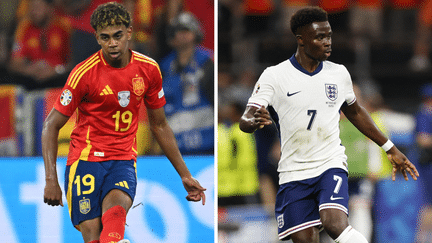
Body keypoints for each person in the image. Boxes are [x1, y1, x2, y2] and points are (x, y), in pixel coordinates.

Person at [239, 7, 419, 243]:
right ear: (301, 40)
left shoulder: (338, 73)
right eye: (320, 37)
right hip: (293, 171)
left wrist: (390, 148)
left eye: (329, 36)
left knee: (335, 223)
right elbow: (247, 116)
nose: (328, 42)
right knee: (305, 240)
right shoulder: (275, 75)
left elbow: (355, 112)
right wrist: (251, 122)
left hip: (329, 163)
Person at [41, 3, 206, 243]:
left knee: (117, 211)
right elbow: (50, 125)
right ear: (97, 38)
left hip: (122, 159)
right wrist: (50, 180)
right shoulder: (83, 74)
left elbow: (159, 125)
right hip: (86, 160)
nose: (112, 43)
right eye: (105, 37)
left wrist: (184, 174)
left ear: (129, 32)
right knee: (93, 235)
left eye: (118, 36)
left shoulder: (148, 69)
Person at [159, 11, 214, 154]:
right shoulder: (164, 67)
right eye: (179, 31)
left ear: (195, 33)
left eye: (187, 30)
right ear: (172, 36)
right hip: (175, 145)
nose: (183, 34)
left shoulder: (208, 62)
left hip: (208, 142)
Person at [8, 0, 72, 90]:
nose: (33, 12)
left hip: (59, 79)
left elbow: (74, 62)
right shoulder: (24, 28)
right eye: (32, 8)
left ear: (50, 8)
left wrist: (56, 70)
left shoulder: (64, 26)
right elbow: (14, 63)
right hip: (32, 80)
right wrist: (29, 70)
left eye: (38, 7)